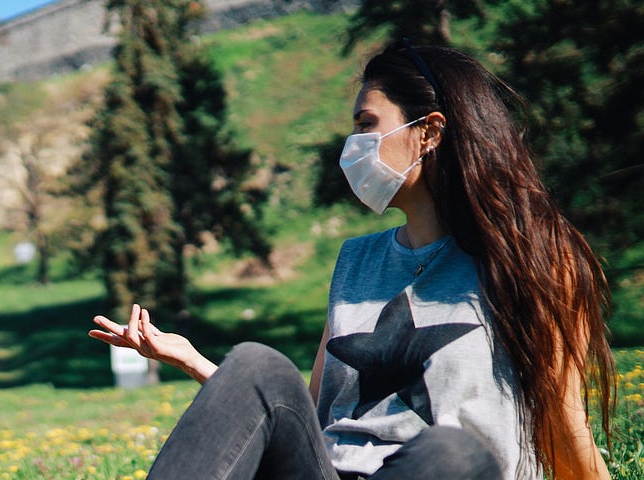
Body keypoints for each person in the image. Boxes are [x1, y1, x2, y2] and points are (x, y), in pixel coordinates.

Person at [88, 41, 615, 480]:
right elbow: (312, 415)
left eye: (368, 124)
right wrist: (201, 367)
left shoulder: (526, 258)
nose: (354, 144)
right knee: (254, 364)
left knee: (452, 453)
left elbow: (564, 429)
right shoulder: (356, 263)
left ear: (428, 132)